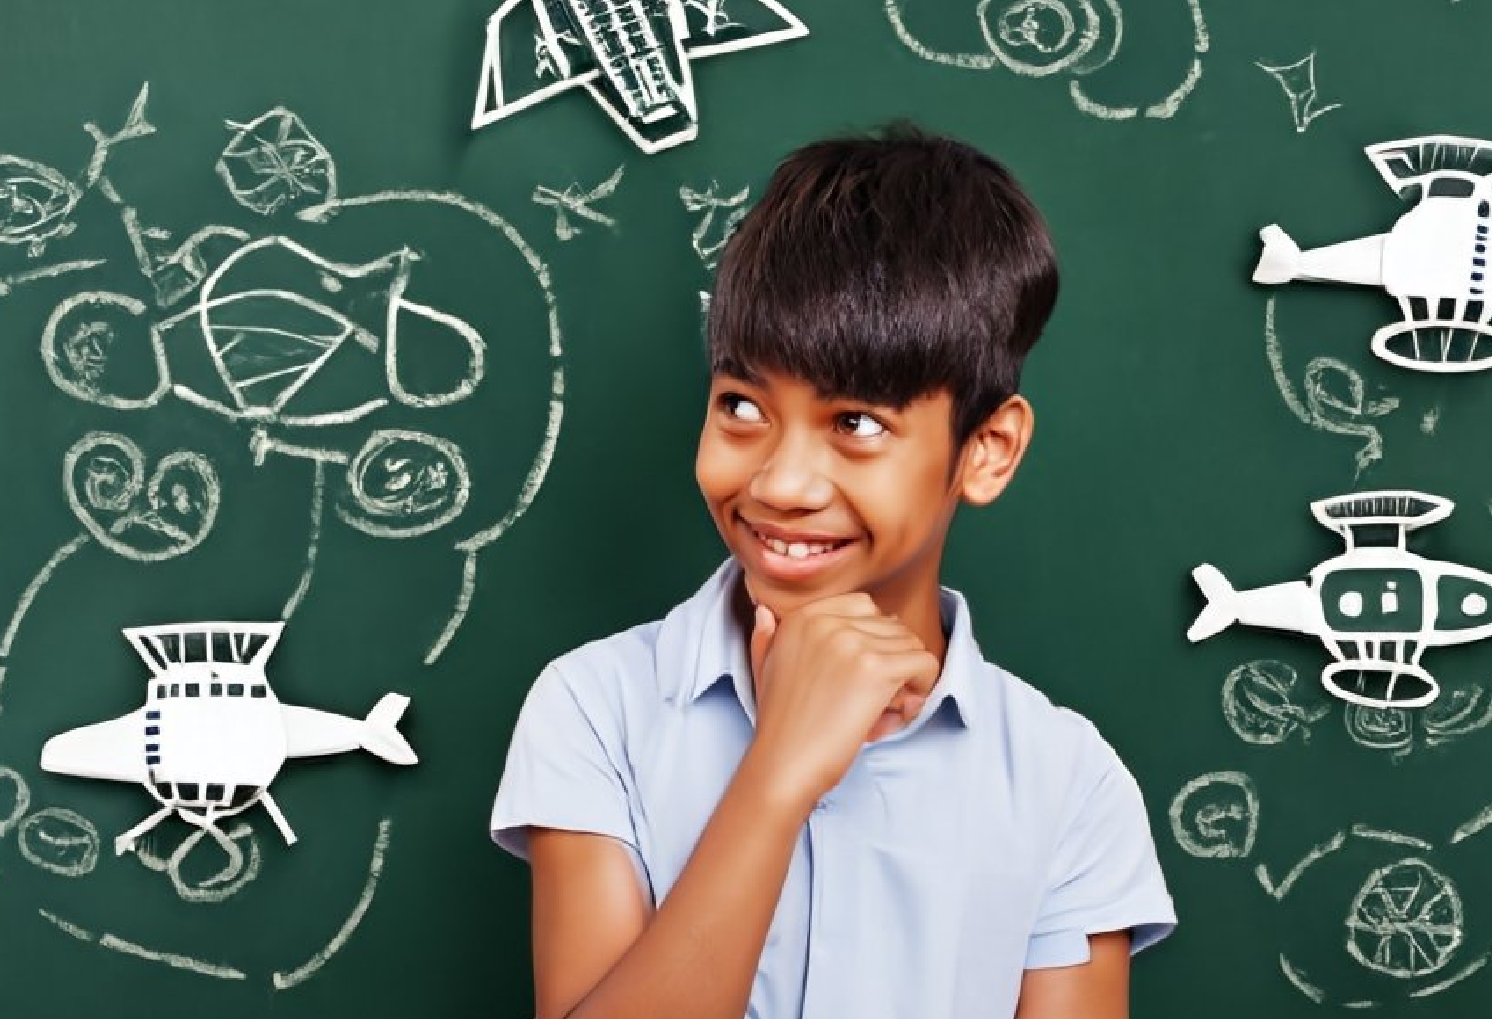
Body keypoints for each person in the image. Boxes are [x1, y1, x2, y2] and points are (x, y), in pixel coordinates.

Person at [490, 124, 1175, 1019]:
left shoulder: (1065, 781)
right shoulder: (597, 709)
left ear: (987, 450)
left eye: (857, 424)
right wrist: (779, 777)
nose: (779, 482)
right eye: (741, 405)